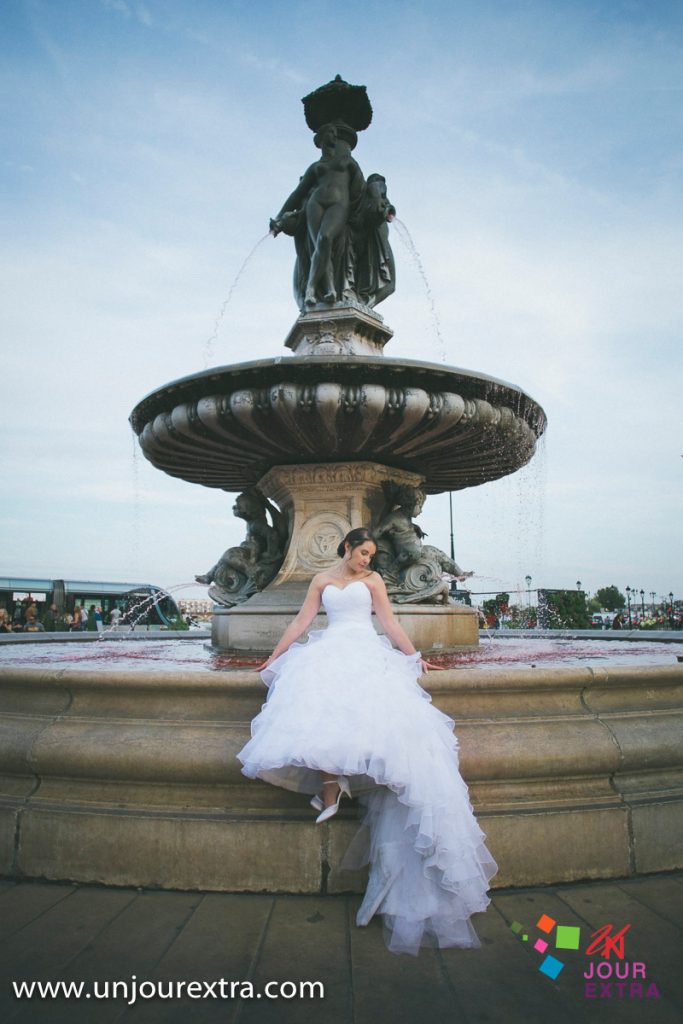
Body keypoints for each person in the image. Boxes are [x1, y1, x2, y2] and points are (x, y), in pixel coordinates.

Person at [237, 526, 497, 955]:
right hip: (328, 649)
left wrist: (413, 656)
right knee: (319, 712)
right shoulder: (321, 580)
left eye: (371, 555)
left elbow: (389, 621)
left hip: (365, 651)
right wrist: (273, 658)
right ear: (346, 548)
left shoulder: (373, 582)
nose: (367, 561)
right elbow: (303, 621)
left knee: (347, 716)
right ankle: (330, 785)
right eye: (362, 553)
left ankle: (332, 789)